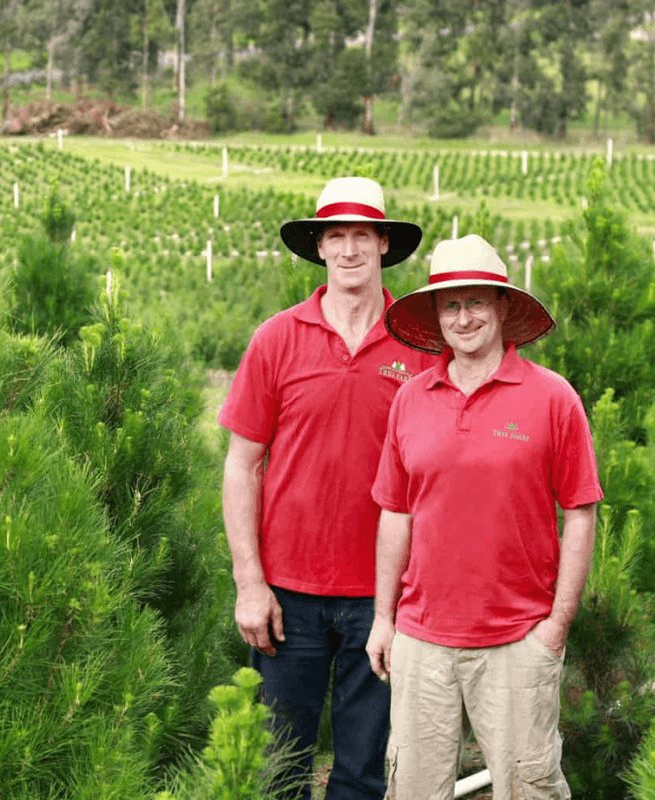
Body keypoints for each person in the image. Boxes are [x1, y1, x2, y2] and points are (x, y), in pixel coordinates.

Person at [218, 176, 437, 800]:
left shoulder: (420, 347)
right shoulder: (277, 338)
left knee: (363, 771)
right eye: (334, 236)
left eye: (360, 235)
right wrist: (249, 583)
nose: (347, 249)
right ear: (318, 247)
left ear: (383, 244)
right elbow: (241, 465)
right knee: (280, 770)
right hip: (288, 595)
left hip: (383, 596)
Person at [367, 234, 603, 799]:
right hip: (423, 640)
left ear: (502, 307)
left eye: (476, 301)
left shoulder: (553, 398)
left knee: (528, 789)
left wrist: (556, 626)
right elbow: (394, 514)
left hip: (518, 640)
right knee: (414, 789)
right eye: (450, 304)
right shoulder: (412, 399)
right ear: (436, 315)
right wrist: (384, 619)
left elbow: (580, 512)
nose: (464, 316)